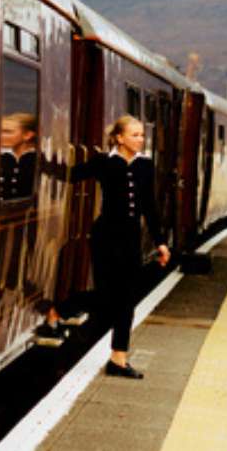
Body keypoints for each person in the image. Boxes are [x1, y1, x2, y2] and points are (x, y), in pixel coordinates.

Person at [70, 114, 170, 379]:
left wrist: (160, 242)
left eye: (142, 135)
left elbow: (150, 206)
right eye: (135, 135)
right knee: (106, 298)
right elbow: (71, 176)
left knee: (127, 299)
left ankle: (119, 358)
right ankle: (65, 307)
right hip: (104, 237)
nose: (141, 139)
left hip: (130, 239)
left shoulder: (145, 165)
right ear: (119, 138)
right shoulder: (104, 162)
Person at [0, 112, 37, 200]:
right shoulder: (2, 158)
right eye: (0, 131)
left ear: (27, 135)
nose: (1, 136)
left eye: (8, 132)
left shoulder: (38, 160)